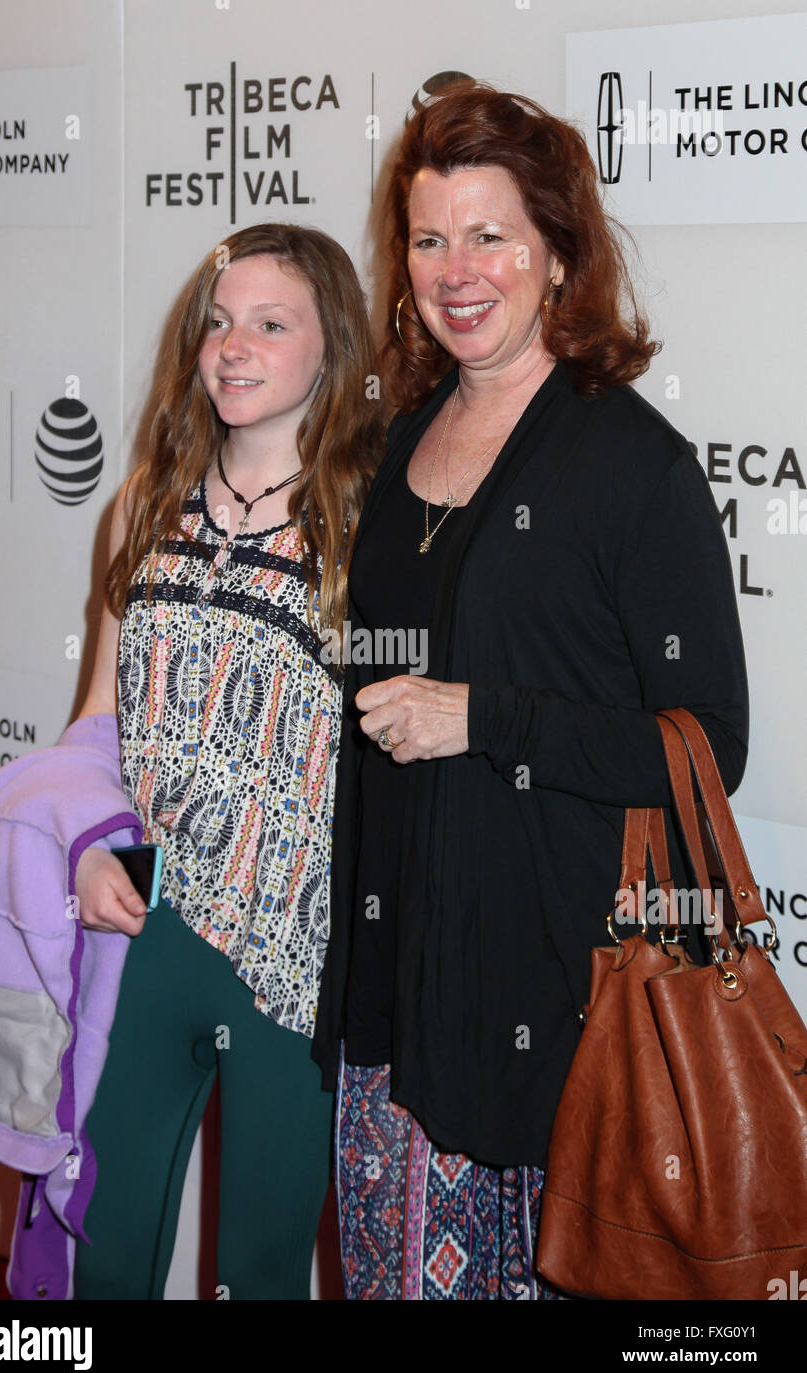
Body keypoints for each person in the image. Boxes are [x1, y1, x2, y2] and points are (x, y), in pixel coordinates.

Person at [311, 83, 749, 1300]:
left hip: (562, 1019)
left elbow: (707, 744)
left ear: (556, 251)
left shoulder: (629, 465)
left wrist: (480, 716)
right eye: (428, 237)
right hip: (392, 1009)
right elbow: (381, 667)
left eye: (489, 234)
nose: (456, 270)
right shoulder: (400, 441)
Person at [71, 223, 384, 1299]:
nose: (232, 345)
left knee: (261, 1271)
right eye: (218, 320)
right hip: (141, 932)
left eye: (270, 322)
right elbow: (95, 725)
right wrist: (82, 848)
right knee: (98, 1252)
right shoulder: (141, 509)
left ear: (330, 348)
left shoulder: (367, 527)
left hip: (298, 963)